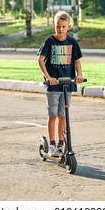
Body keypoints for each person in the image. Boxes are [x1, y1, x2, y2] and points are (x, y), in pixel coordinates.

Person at [37, 11, 84, 157]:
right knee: (53, 115)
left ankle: (61, 144)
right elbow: (40, 60)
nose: (60, 29)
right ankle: (51, 145)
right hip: (53, 86)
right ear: (54, 26)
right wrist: (48, 76)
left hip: (67, 85)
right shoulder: (49, 41)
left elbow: (76, 61)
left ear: (68, 26)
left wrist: (79, 75)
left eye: (63, 26)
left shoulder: (72, 42)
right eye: (58, 26)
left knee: (63, 116)